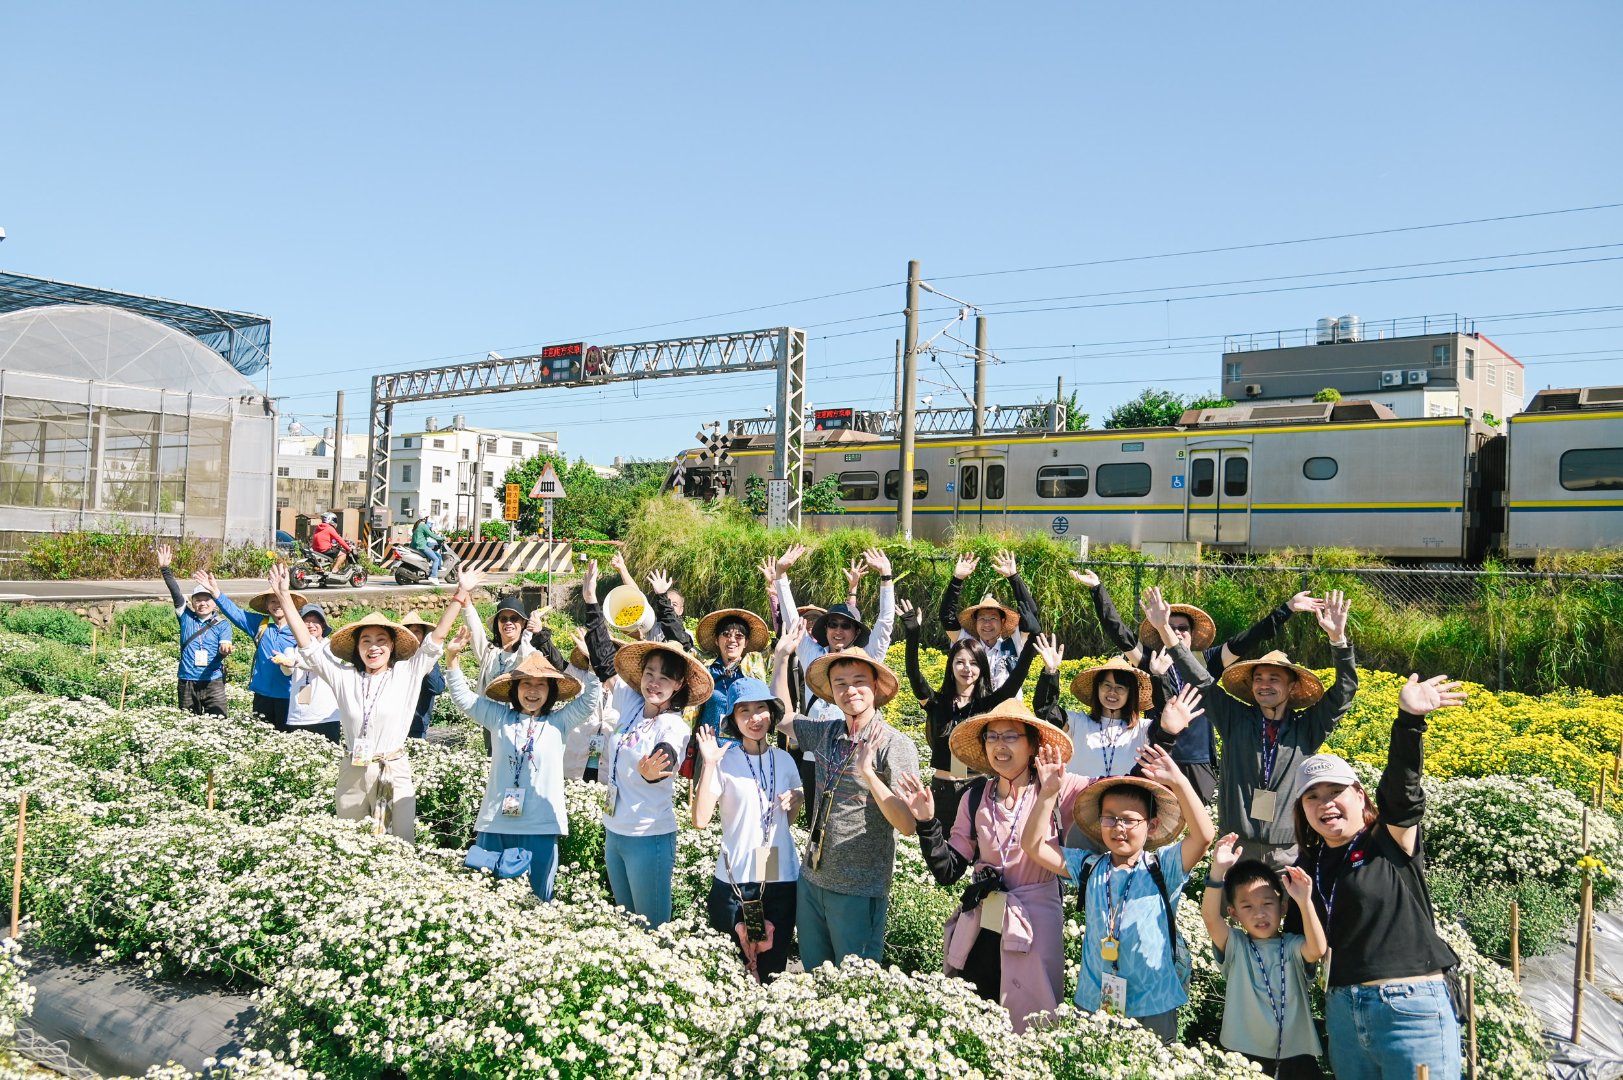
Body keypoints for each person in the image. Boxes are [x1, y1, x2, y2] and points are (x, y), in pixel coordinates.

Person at [1293, 675, 1467, 1080]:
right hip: (1343, 1010)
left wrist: (1408, 721)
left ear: (1359, 796)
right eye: (1312, 796)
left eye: (1336, 791)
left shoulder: (1388, 841)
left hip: (1410, 1006)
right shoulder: (1312, 864)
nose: (1325, 803)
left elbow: (1402, 793)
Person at [891, 698, 1087, 1032]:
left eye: (1010, 736)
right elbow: (949, 869)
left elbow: (1119, 796)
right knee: (976, 1015)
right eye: (992, 737)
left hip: (1036, 924)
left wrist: (1166, 735)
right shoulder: (976, 794)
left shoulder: (1059, 787)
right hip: (984, 923)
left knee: (1032, 1022)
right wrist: (926, 822)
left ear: (1032, 744)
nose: (999, 745)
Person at [1020, 740, 1216, 1044]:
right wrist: (1047, 793)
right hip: (1096, 998)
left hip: (1154, 1000)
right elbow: (1033, 846)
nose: (1118, 827)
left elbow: (1204, 836)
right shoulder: (1088, 867)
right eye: (1109, 818)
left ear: (1151, 827)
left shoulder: (1163, 867)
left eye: (1129, 819)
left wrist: (1177, 780)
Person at [265, 564, 475, 842]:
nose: (373, 647)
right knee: (350, 841)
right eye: (366, 640)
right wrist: (284, 597)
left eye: (380, 640)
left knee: (398, 843)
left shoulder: (406, 673)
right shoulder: (344, 677)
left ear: (391, 647)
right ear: (357, 647)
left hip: (393, 769)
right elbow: (309, 648)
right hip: (354, 768)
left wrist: (460, 593)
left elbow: (434, 641)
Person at [1074, 569, 1322, 803]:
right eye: (1171, 627)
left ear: (1192, 634)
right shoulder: (1149, 660)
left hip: (1198, 759)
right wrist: (1097, 590)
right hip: (1159, 753)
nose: (1178, 632)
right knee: (1155, 820)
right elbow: (1119, 633)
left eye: (1183, 628)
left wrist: (1286, 610)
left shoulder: (1209, 661)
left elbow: (1248, 638)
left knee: (1198, 821)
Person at [1156, 588, 1356, 870]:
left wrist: (1338, 640)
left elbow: (1345, 691)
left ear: (1291, 686)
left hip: (1289, 851)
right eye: (1258, 678)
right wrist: (1165, 630)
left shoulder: (1307, 729)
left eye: (1275, 678)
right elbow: (1199, 679)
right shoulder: (1234, 719)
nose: (1265, 684)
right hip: (1236, 848)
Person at [770, 621, 920, 970]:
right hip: (812, 879)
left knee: (854, 988)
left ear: (875, 689)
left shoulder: (895, 745)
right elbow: (783, 718)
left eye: (858, 682)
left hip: (858, 887)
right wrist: (780, 659)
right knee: (814, 977)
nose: (850, 690)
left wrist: (870, 774)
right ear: (832, 692)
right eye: (841, 683)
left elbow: (908, 823)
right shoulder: (827, 732)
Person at [442, 625, 604, 901]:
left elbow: (589, 701)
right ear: (514, 689)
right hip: (496, 824)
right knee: (488, 899)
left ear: (551, 690)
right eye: (526, 684)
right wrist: (452, 659)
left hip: (540, 826)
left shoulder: (558, 722)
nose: (532, 691)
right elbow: (465, 700)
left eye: (540, 684)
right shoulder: (499, 718)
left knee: (537, 899)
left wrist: (591, 665)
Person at [691, 678, 804, 983]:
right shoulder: (724, 760)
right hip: (733, 879)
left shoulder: (784, 760)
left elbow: (786, 820)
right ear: (733, 719)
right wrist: (710, 764)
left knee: (771, 970)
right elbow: (700, 820)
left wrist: (797, 799)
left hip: (778, 878)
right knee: (729, 970)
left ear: (772, 713)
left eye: (761, 709)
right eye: (744, 712)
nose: (754, 718)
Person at [898, 597, 1036, 831]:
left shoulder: (989, 705)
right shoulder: (936, 702)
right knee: (941, 859)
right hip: (941, 792)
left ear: (981, 668)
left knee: (979, 859)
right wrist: (913, 634)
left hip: (977, 791)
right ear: (951, 667)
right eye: (960, 662)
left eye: (973, 663)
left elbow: (1017, 678)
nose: (967, 669)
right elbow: (914, 674)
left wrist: (1032, 638)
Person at [1201, 840, 1327, 1078]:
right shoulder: (1236, 946)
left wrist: (1305, 901)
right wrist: (1217, 871)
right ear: (1233, 913)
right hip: (1242, 1052)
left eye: (1268, 903)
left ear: (1283, 906)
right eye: (1247, 906)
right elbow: (1210, 917)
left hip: (1296, 1052)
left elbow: (1317, 949)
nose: (1259, 913)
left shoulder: (1291, 946)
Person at [771, 544, 897, 725]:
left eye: (846, 626)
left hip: (856, 746)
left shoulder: (867, 658)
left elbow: (885, 623)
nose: (838, 630)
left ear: (856, 632)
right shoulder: (812, 656)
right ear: (826, 629)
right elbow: (792, 621)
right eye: (833, 624)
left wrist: (886, 577)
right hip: (815, 747)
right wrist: (781, 573)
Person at [203, 571, 307, 730]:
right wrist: (216, 592)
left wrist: (291, 662)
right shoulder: (261, 625)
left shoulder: (299, 630)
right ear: (266, 606)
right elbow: (236, 613)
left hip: (290, 696)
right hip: (262, 694)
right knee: (262, 736)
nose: (277, 604)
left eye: (280, 600)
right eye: (272, 601)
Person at [937, 551, 1040, 689]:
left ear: (1002, 622)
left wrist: (1013, 577)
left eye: (993, 618)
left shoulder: (1014, 644)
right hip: (977, 709)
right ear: (975, 622)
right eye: (982, 618)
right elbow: (947, 618)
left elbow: (1030, 615)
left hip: (1009, 709)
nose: (987, 624)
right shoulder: (968, 644)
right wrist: (957, 579)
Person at [156, 544, 234, 716]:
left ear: (215, 603)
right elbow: (175, 593)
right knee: (187, 723)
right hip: (187, 680)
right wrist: (165, 569)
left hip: (212, 682)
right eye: (198, 600)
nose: (202, 603)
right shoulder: (186, 617)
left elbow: (225, 643)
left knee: (219, 722)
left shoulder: (222, 624)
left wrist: (224, 650)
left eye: (207, 599)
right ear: (192, 602)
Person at [275, 604, 343, 744]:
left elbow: (317, 664)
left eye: (315, 621)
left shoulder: (331, 648)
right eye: (305, 622)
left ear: (323, 626)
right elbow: (287, 672)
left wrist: (294, 663)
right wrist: (284, 663)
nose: (310, 625)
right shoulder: (291, 649)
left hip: (325, 717)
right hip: (297, 716)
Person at [397, 610, 446, 739]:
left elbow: (438, 687)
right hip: (394, 723)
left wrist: (426, 668)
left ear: (424, 636)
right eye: (409, 631)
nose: (413, 635)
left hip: (417, 725)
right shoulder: (394, 659)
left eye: (417, 631)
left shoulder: (428, 659)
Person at [412, 512, 446, 585]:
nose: (428, 519)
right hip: (421, 546)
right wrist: (443, 538)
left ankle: (438, 568)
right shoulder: (423, 526)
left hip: (415, 546)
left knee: (436, 555)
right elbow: (432, 535)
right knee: (435, 559)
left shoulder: (417, 525)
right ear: (425, 518)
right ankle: (433, 576)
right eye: (428, 518)